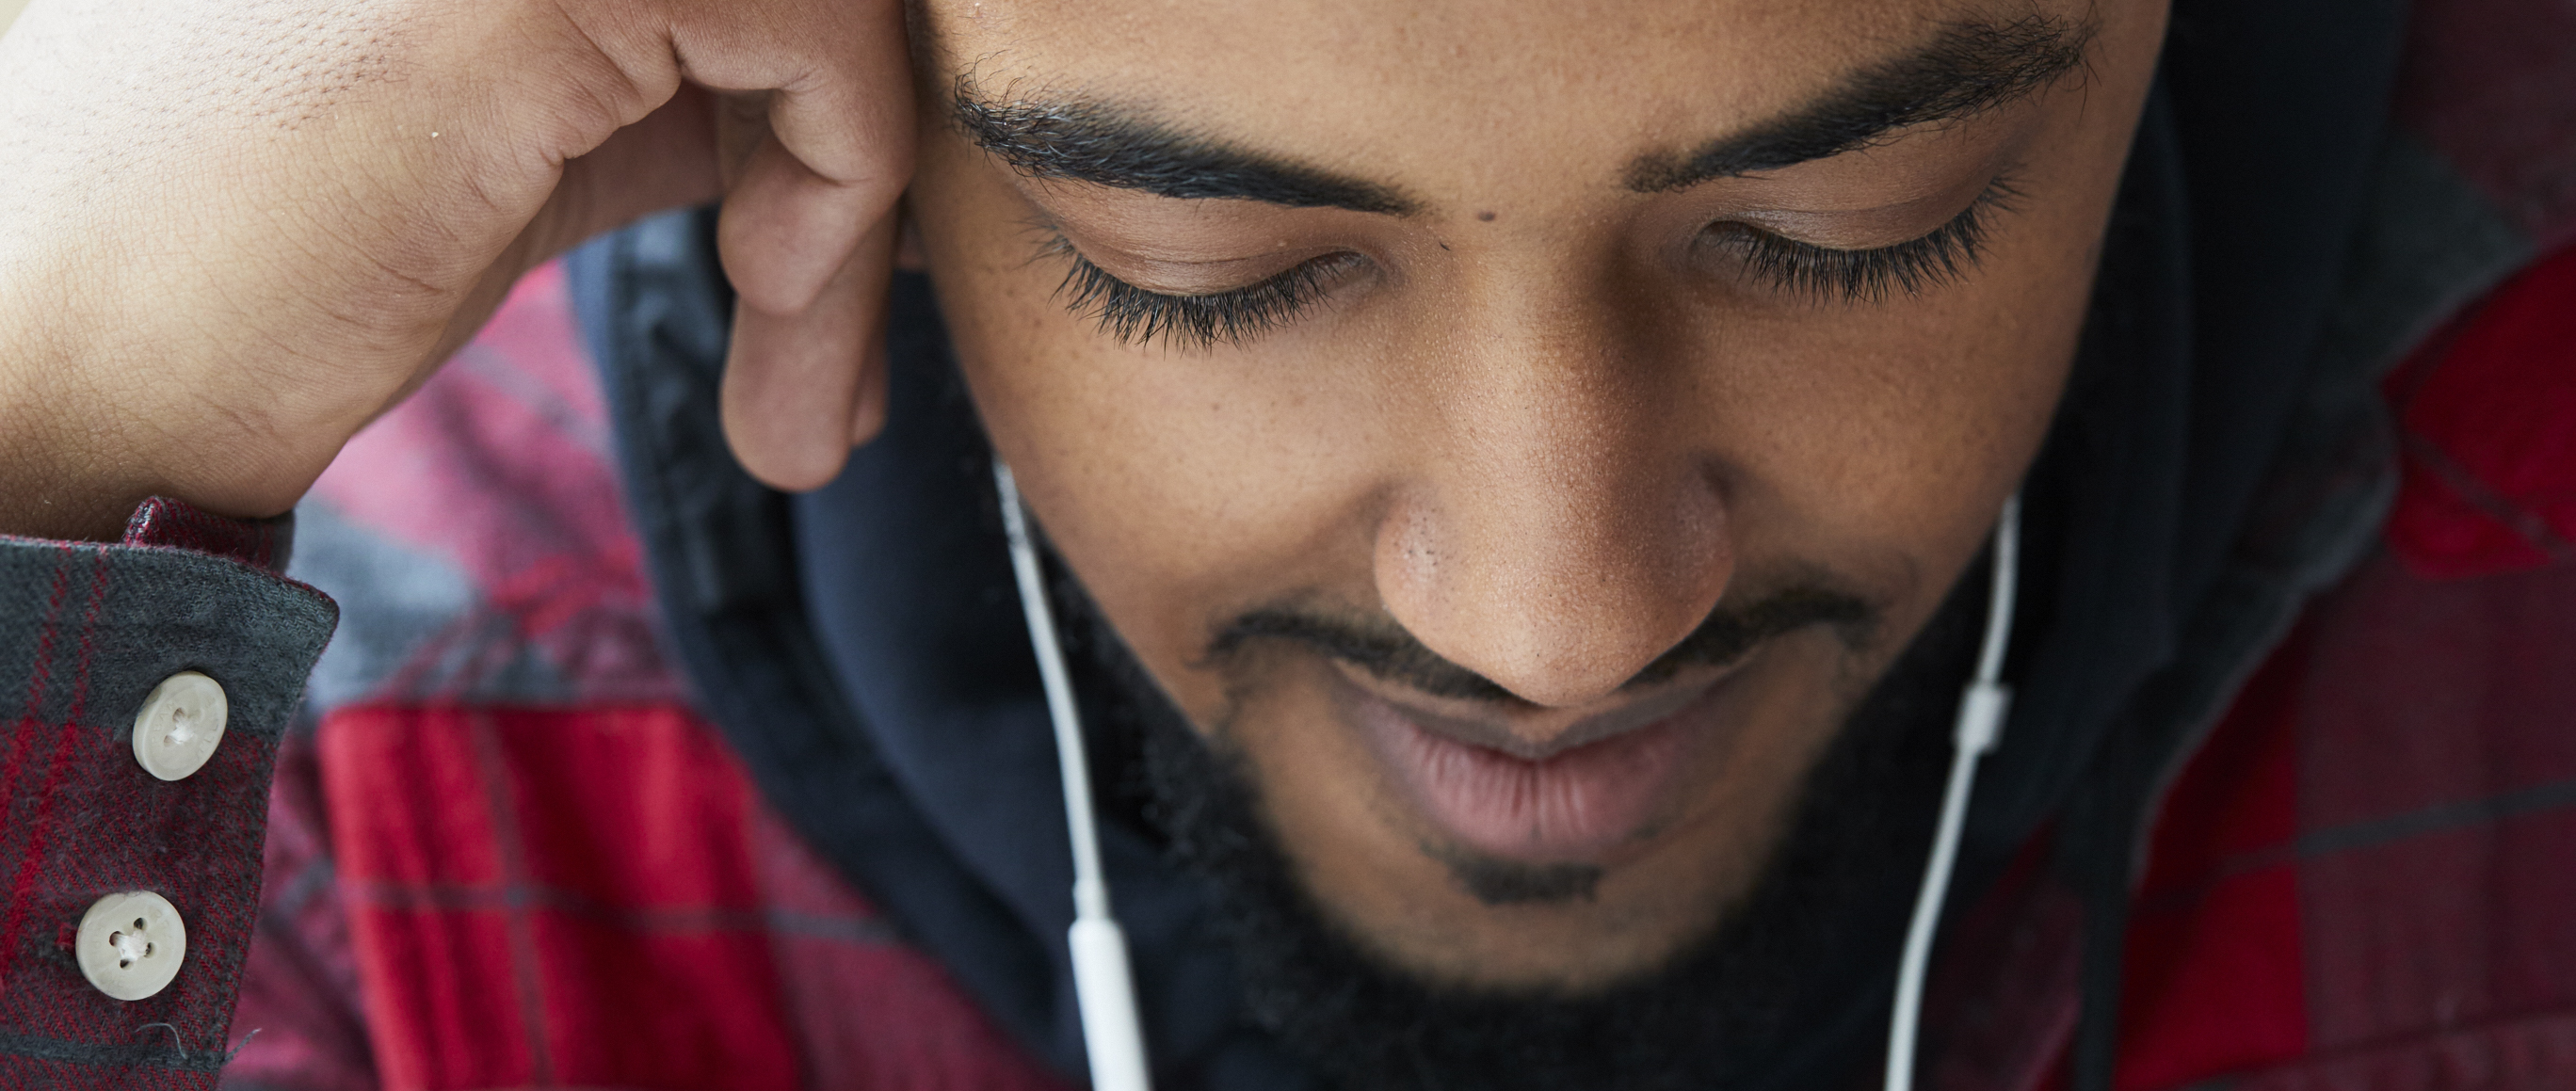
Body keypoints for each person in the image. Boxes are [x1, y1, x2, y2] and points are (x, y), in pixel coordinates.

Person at [0, 0, 2569, 1085]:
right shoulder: (344, 813)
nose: (1555, 616)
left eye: (1851, 220)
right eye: (1207, 266)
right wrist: (41, 425)